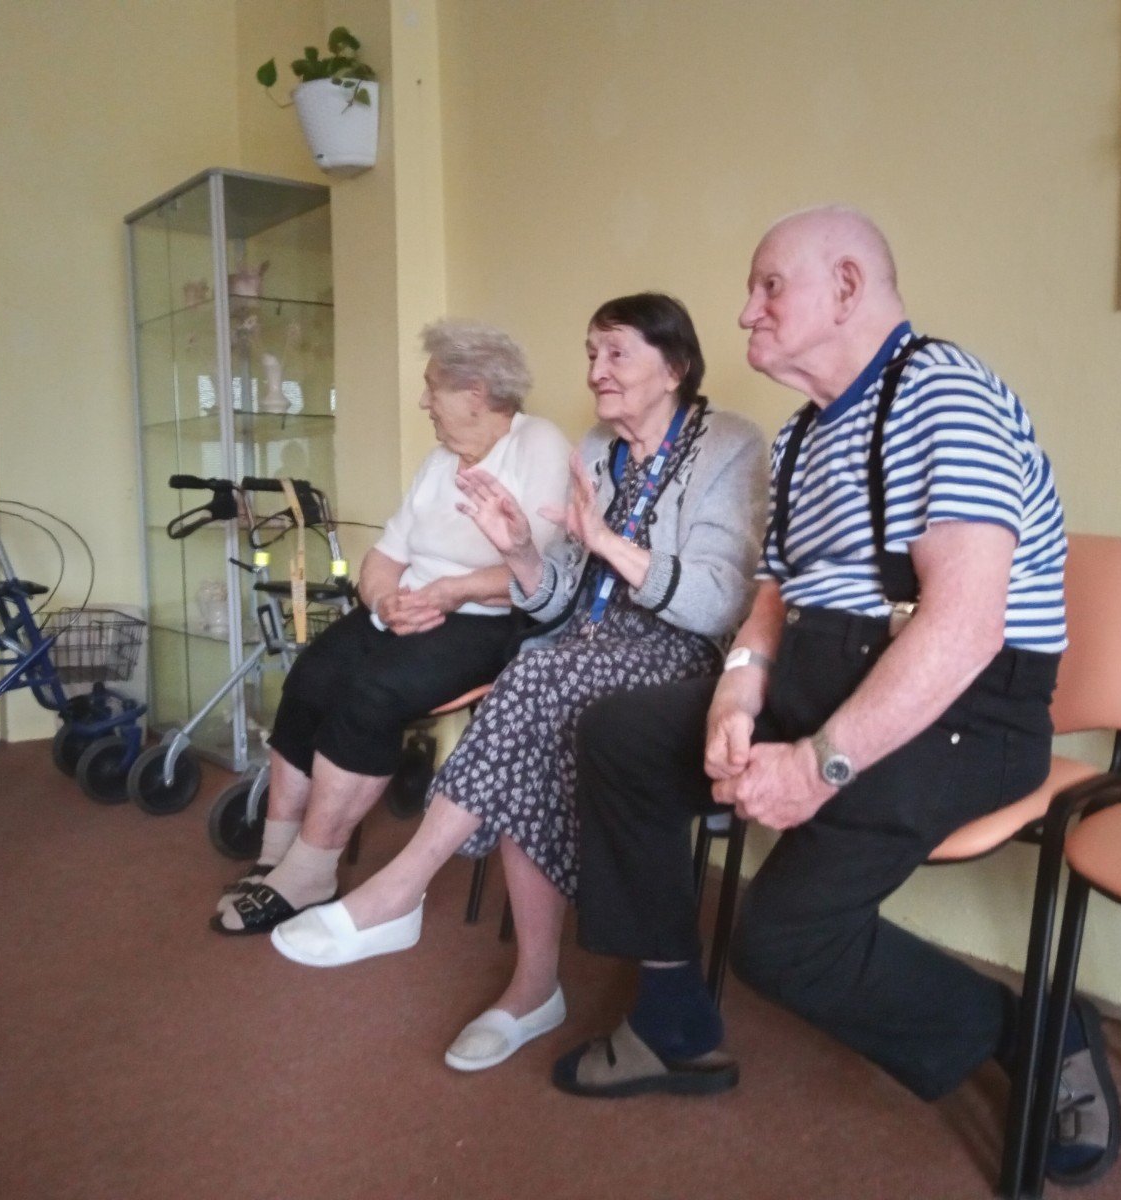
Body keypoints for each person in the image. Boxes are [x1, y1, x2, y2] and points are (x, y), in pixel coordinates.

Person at [560, 208, 1120, 1186]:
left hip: (964, 710)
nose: (745, 312)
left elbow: (963, 628)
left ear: (848, 287)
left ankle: (1035, 1029)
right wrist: (737, 693)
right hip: (821, 675)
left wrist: (819, 766)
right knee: (618, 735)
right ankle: (671, 1016)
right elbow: (775, 596)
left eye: (769, 286)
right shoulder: (803, 433)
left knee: (784, 945)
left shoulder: (945, 394)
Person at [269, 293, 768, 1075]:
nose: (596, 371)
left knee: (534, 673)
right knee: (538, 693)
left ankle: (411, 894)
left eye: (616, 354)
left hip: (677, 652)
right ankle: (531, 989)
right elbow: (558, 596)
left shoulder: (731, 445)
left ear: (674, 367)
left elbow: (718, 604)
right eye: (591, 353)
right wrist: (521, 553)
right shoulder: (599, 448)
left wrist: (606, 542)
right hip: (581, 643)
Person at [213, 320, 571, 934]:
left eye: (434, 388)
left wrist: (451, 592)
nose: (424, 402)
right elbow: (385, 555)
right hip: (412, 606)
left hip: (489, 620)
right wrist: (384, 603)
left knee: (369, 695)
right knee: (311, 676)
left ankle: (311, 871)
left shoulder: (538, 444)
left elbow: (538, 563)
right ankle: (274, 856)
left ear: (476, 393)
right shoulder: (440, 461)